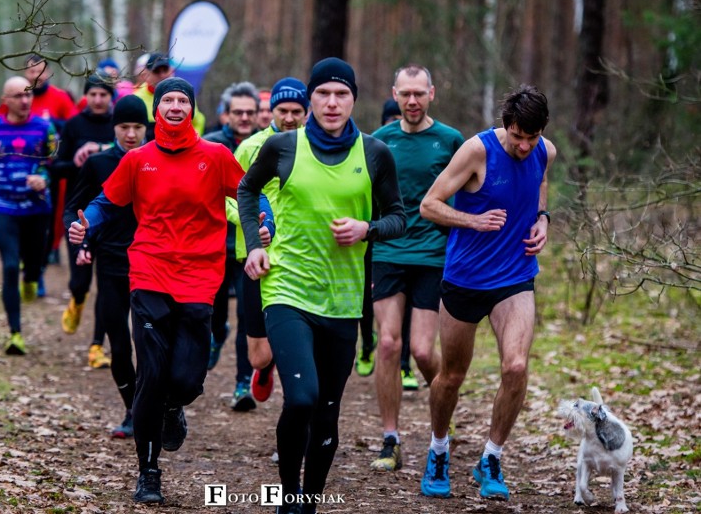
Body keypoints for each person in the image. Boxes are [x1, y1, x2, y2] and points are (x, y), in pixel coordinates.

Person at [68, 77, 271, 505]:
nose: (175, 106)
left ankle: (174, 406)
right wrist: (86, 222)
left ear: (191, 109)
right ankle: (148, 471)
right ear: (157, 109)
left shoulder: (215, 156)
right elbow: (107, 202)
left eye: (183, 100)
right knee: (152, 375)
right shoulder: (139, 159)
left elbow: (249, 194)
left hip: (200, 275)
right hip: (149, 271)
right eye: (168, 100)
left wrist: (263, 224)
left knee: (186, 381)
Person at [238, 58, 406, 514]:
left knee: (328, 414)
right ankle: (287, 496)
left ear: (354, 100)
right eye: (323, 94)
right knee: (303, 398)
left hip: (343, 300)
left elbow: (399, 217)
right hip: (287, 288)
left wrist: (365, 228)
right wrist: (255, 243)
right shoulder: (282, 146)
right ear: (310, 99)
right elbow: (247, 190)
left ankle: (308, 503)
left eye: (342, 94)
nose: (332, 103)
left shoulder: (374, 154)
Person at [418, 85, 556, 500]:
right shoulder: (476, 151)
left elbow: (541, 182)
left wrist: (543, 219)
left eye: (531, 137)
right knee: (451, 376)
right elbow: (429, 204)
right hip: (464, 279)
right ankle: (438, 449)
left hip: (515, 277)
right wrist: (471, 220)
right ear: (506, 125)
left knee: (515, 367)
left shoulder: (545, 150)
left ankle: (491, 457)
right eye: (517, 136)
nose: (523, 145)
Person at [368, 65, 464, 472]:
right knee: (388, 345)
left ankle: (442, 413)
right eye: (405, 93)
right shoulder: (378, 142)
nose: (411, 101)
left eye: (419, 94)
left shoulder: (450, 140)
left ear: (431, 94)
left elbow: (465, 198)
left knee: (424, 351)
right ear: (394, 93)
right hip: (388, 252)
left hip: (433, 256)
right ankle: (391, 439)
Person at [63, 95, 149, 439]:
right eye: (124, 127)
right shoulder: (98, 164)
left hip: (151, 263)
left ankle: (151, 406)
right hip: (112, 263)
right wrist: (82, 239)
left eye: (137, 127)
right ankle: (132, 410)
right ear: (114, 128)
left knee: (150, 343)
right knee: (120, 343)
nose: (131, 134)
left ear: (147, 128)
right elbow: (75, 209)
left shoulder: (156, 161)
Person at [232, 77, 309, 405]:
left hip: (299, 256)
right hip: (255, 255)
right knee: (259, 356)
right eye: (282, 110)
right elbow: (226, 196)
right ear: (271, 110)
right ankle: (265, 368)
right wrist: (249, 227)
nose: (289, 118)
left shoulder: (314, 149)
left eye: (296, 111)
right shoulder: (251, 147)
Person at [0, 76, 56, 355]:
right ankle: (15, 334)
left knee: (33, 263)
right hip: (4, 206)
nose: (24, 101)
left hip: (37, 208)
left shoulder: (45, 128)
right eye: (18, 96)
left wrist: (44, 177)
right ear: (5, 100)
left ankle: (32, 277)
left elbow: (56, 163)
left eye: (28, 95)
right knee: (9, 266)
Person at [203, 81, 261, 411]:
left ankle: (242, 383)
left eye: (249, 113)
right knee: (215, 311)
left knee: (246, 315)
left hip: (248, 244)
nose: (242, 117)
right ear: (225, 114)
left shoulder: (265, 148)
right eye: (236, 112)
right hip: (213, 244)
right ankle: (216, 332)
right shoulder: (211, 146)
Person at [53, 75, 116, 369]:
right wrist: (79, 162)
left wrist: (100, 150)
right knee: (81, 280)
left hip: (112, 214)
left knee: (107, 286)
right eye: (93, 93)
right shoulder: (74, 125)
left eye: (104, 94)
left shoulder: (120, 126)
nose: (99, 99)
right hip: (79, 211)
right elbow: (58, 167)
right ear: (86, 96)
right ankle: (77, 300)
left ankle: (96, 346)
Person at [24, 54, 79, 293]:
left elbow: (76, 126)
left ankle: (41, 271)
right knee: (24, 221)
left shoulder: (60, 97)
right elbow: (2, 118)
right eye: (32, 71)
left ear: (48, 73)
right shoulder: (21, 94)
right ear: (27, 73)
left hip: (51, 170)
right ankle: (28, 264)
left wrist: (52, 123)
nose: (37, 75)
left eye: (41, 71)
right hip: (22, 167)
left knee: (46, 223)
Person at [133, 53, 206, 138]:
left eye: (165, 70)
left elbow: (198, 121)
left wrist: (193, 139)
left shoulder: (184, 93)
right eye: (157, 71)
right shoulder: (137, 98)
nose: (162, 75)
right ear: (146, 74)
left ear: (171, 70)